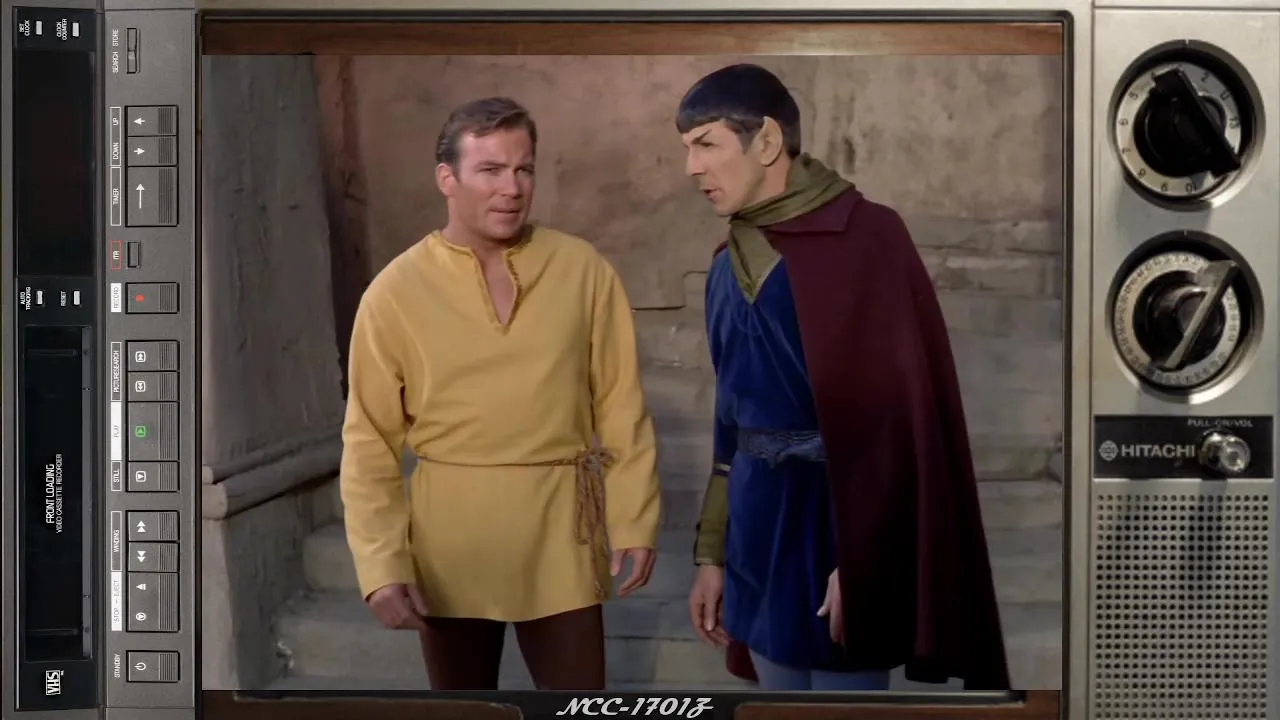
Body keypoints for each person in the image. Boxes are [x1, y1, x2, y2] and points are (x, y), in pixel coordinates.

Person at [678, 64, 1011, 692]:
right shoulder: (728, 261)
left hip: (837, 527)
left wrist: (862, 558)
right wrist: (712, 553)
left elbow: (896, 422)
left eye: (706, 144)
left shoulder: (869, 237)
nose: (692, 168)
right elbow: (731, 424)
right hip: (757, 531)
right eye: (687, 149)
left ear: (767, 141)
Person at [340, 96, 662, 691]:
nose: (511, 189)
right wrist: (381, 564)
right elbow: (368, 443)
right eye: (490, 170)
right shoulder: (394, 293)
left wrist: (635, 519)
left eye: (524, 169)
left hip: (561, 534)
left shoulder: (582, 269)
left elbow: (622, 406)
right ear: (447, 179)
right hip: (450, 543)